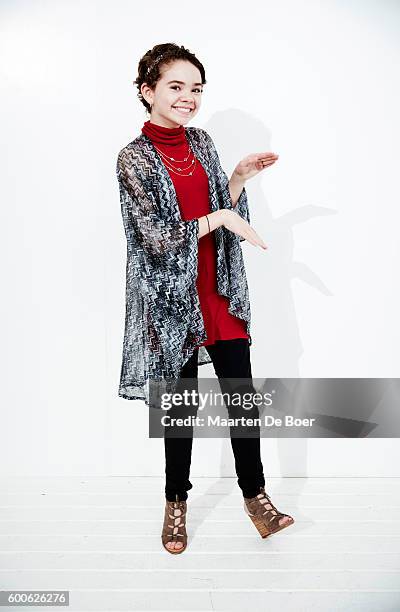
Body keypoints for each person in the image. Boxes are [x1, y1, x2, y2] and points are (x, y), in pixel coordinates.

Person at [116, 42, 294, 554]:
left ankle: (257, 498)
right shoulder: (133, 158)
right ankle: (176, 503)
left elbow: (222, 209)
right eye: (176, 87)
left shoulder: (203, 141)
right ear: (148, 91)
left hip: (218, 292)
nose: (188, 98)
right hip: (171, 306)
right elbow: (152, 236)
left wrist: (237, 178)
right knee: (180, 409)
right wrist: (218, 217)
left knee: (242, 398)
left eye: (195, 89)